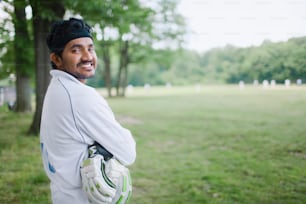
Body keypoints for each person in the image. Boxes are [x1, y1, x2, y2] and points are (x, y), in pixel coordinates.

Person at [40, 18, 136, 204]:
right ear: (57, 59)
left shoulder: (57, 87)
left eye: (90, 48)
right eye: (76, 50)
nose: (87, 56)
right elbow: (127, 151)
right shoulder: (79, 95)